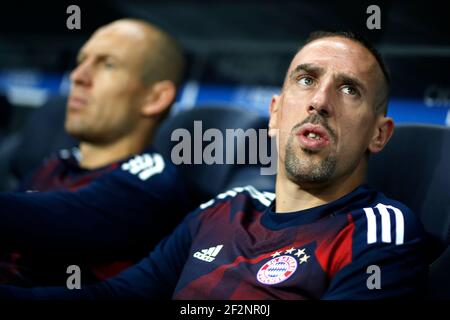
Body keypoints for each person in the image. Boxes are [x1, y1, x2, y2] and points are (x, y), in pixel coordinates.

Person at [0, 31, 428, 299]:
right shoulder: (225, 208)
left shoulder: (381, 230)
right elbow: (116, 294)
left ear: (379, 134)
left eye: (349, 89)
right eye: (306, 79)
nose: (320, 101)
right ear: (276, 113)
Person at [0, 18, 194, 286]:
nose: (78, 76)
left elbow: (45, 219)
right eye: (82, 61)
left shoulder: (150, 185)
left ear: (155, 98)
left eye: (108, 64)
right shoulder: (56, 164)